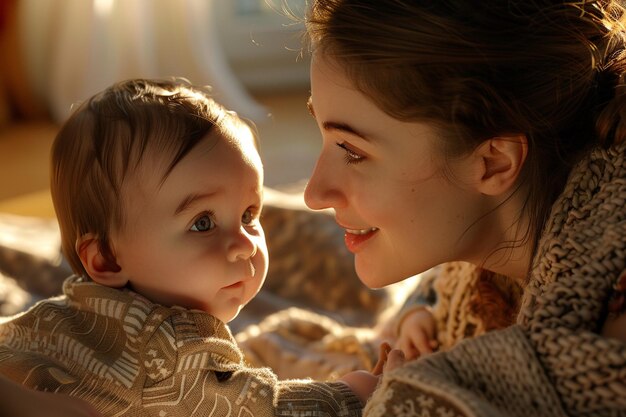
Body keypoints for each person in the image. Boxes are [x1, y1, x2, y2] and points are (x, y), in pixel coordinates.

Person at [301, 0, 626, 415]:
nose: (313, 194)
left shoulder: (605, 335)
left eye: (352, 151)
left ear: (494, 162)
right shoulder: (483, 247)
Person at [0, 78, 396, 416]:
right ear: (105, 258)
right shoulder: (168, 346)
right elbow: (258, 409)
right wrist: (351, 394)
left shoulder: (57, 320)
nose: (243, 245)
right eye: (202, 223)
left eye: (248, 215)